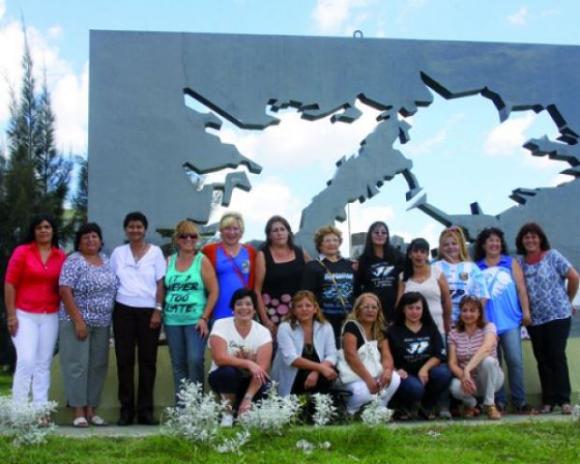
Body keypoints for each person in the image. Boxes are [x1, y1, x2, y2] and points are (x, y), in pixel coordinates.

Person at [4, 214, 66, 416]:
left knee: (43, 364)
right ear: (34, 231)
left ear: (53, 231)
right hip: (24, 315)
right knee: (26, 361)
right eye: (39, 227)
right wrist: (11, 315)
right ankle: (19, 412)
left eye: (47, 227)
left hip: (50, 316)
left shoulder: (60, 256)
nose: (43, 230)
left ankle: (40, 411)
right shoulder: (22, 252)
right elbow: (10, 284)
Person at [59, 223, 119, 427]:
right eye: (86, 237)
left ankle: (91, 410)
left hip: (102, 323)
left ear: (100, 241)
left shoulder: (106, 260)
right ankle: (78, 411)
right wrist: (78, 321)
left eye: (94, 236)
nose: (91, 240)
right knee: (77, 366)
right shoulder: (74, 261)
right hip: (76, 322)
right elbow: (65, 290)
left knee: (98, 366)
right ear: (79, 242)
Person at [515, 222, 579, 415]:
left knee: (556, 356)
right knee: (542, 359)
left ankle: (564, 400)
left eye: (534, 236)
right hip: (535, 319)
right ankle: (548, 401)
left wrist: (567, 300)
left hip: (558, 315)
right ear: (521, 241)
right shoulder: (520, 263)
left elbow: (574, 277)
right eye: (526, 237)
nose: (530, 240)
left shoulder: (552, 256)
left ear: (540, 238)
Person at [110, 211, 166, 425]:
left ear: (145, 229)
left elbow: (160, 283)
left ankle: (145, 411)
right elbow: (112, 280)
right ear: (126, 229)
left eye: (139, 226)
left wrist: (157, 310)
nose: (135, 230)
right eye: (131, 226)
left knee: (148, 361)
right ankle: (126, 411)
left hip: (148, 312)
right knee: (124, 361)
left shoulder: (156, 252)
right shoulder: (118, 253)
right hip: (123, 310)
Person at [474, 227, 535, 414]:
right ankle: (498, 402)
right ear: (483, 245)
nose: (494, 244)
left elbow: (521, 289)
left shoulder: (510, 262)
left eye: (497, 240)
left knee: (515, 361)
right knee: (494, 363)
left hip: (510, 322)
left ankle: (520, 401)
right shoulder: (476, 267)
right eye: (490, 240)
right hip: (488, 324)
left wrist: (526, 312)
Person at [163, 220, 218, 402]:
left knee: (194, 360)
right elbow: (162, 289)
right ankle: (182, 407)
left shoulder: (202, 261)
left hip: (195, 321)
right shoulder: (169, 261)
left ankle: (196, 406)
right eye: (183, 236)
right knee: (178, 364)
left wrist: (204, 317)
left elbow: (214, 291)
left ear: (197, 239)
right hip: (172, 321)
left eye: (193, 236)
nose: (188, 239)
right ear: (177, 239)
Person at [208, 288, 272, 427]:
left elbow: (261, 370)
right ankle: (228, 413)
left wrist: (248, 398)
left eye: (248, 304)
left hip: (250, 381)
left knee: (266, 384)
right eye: (239, 304)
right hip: (223, 378)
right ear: (233, 308)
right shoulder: (220, 325)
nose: (244, 308)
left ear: (254, 309)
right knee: (228, 373)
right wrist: (248, 363)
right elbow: (219, 358)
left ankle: (246, 411)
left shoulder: (263, 332)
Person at [387, 292, 451, 419]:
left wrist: (425, 368)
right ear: (403, 309)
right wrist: (395, 370)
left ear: (423, 309)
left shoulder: (430, 327)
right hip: (405, 374)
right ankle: (405, 406)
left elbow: (440, 354)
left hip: (427, 372)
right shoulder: (393, 330)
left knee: (444, 373)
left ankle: (427, 405)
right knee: (415, 389)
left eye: (418, 308)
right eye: (410, 308)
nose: (414, 312)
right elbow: (386, 356)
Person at [339, 293, 401, 415]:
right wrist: (369, 380)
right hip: (355, 376)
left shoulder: (380, 330)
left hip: (374, 375)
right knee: (365, 393)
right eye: (366, 307)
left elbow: (387, 355)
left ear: (378, 311)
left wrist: (387, 371)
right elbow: (351, 356)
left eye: (374, 307)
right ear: (358, 310)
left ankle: (378, 408)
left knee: (395, 378)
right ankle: (352, 411)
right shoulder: (351, 326)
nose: (370, 310)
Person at [271, 290, 337, 397]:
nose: (304, 309)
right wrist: (321, 368)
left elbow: (332, 355)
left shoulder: (325, 327)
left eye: (308, 305)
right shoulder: (285, 327)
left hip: (319, 375)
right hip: (293, 377)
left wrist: (317, 372)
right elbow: (291, 359)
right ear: (294, 311)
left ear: (315, 309)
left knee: (329, 375)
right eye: (299, 306)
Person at [448, 296, 503, 420]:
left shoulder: (489, 327)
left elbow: (486, 348)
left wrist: (467, 368)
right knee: (454, 386)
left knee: (488, 361)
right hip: (469, 381)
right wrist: (464, 376)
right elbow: (452, 363)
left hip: (491, 378)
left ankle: (490, 405)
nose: (468, 314)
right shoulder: (454, 333)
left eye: (472, 310)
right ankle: (472, 405)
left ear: (479, 313)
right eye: (464, 310)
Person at [301, 225, 356, 346]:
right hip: (323, 322)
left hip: (348, 320)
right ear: (320, 244)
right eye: (327, 240)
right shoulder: (312, 266)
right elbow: (307, 295)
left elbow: (356, 292)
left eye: (335, 240)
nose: (332, 243)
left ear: (339, 243)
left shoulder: (349, 265)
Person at [255, 215, 310, 333]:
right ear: (269, 235)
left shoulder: (301, 252)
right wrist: (265, 320)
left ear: (288, 232)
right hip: (273, 315)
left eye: (282, 229)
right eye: (275, 230)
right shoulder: (262, 255)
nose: (279, 233)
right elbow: (257, 290)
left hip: (300, 312)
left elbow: (315, 275)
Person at [202, 212, 257, 320]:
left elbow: (255, 282)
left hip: (244, 310)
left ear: (241, 231)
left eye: (235, 229)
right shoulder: (209, 251)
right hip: (218, 309)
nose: (231, 232)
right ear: (221, 231)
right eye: (227, 228)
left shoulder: (250, 252)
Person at [433, 226, 488, 325]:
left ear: (461, 245)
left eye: (454, 244)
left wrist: (474, 317)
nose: (450, 247)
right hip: (440, 322)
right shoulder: (435, 267)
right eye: (446, 245)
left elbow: (482, 296)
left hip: (467, 323)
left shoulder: (472, 267)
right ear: (441, 248)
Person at [398, 238, 452, 336]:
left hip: (437, 328)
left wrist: (447, 322)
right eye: (415, 251)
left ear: (427, 255)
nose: (419, 255)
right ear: (410, 255)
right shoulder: (403, 277)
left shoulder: (437, 273)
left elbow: (447, 300)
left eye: (423, 252)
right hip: (411, 331)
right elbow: (399, 303)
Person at [355, 221, 405, 324]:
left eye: (383, 232)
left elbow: (403, 282)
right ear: (370, 235)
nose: (380, 235)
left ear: (387, 235)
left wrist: (399, 305)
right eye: (376, 232)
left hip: (395, 308)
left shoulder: (398, 256)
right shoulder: (363, 260)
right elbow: (358, 287)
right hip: (372, 310)